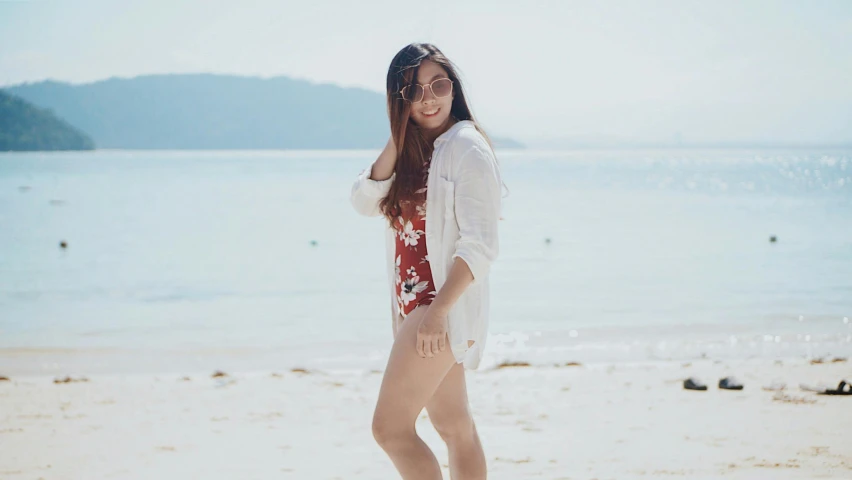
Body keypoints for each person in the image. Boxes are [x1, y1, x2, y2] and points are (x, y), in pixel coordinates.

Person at [350, 43, 503, 479]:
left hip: (435, 308)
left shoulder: (466, 147)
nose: (429, 98)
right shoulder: (414, 150)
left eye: (439, 84)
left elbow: (480, 246)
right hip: (418, 311)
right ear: (400, 101)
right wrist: (399, 138)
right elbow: (363, 200)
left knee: (390, 429)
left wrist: (437, 315)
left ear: (453, 87)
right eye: (414, 91)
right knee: (454, 426)